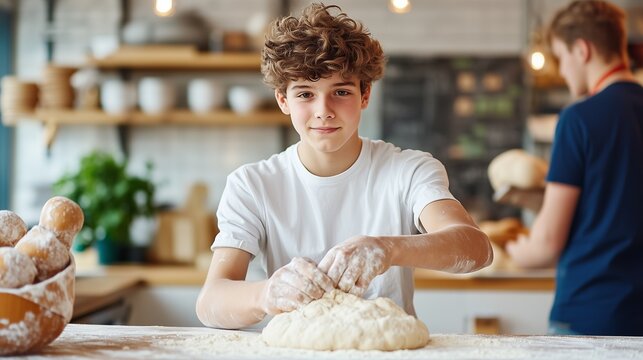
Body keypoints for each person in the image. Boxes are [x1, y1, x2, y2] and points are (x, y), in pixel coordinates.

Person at [196, 3, 492, 330]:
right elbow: (211, 302)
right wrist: (266, 295)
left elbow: (475, 248)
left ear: (365, 94)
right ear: (283, 100)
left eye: (340, 91)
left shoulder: (407, 170)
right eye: (305, 94)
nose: (324, 111)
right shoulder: (253, 185)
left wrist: (388, 248)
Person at [506, 0, 643, 336]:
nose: (562, 70)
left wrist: (515, 252)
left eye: (561, 57)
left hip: (590, 313)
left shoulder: (578, 119)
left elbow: (546, 245)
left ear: (582, 50)